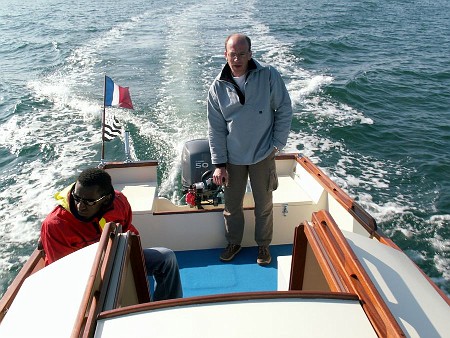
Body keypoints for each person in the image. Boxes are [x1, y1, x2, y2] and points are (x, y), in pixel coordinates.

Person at [207, 33, 293, 265]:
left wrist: (278, 144)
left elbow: (284, 108)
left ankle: (263, 246)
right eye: (232, 54)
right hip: (233, 157)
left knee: (263, 205)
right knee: (231, 206)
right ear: (225, 55)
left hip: (263, 152)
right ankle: (234, 242)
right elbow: (216, 129)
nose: (237, 59)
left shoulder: (268, 75)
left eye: (242, 54)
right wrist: (219, 164)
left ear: (250, 54)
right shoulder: (217, 87)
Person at [40, 167, 182, 301]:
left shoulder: (119, 202)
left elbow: (129, 234)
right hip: (82, 278)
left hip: (116, 259)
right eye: (77, 198)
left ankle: (166, 308)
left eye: (89, 202)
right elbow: (63, 274)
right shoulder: (56, 225)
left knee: (166, 259)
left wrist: (129, 264)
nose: (80, 206)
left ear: (106, 199)